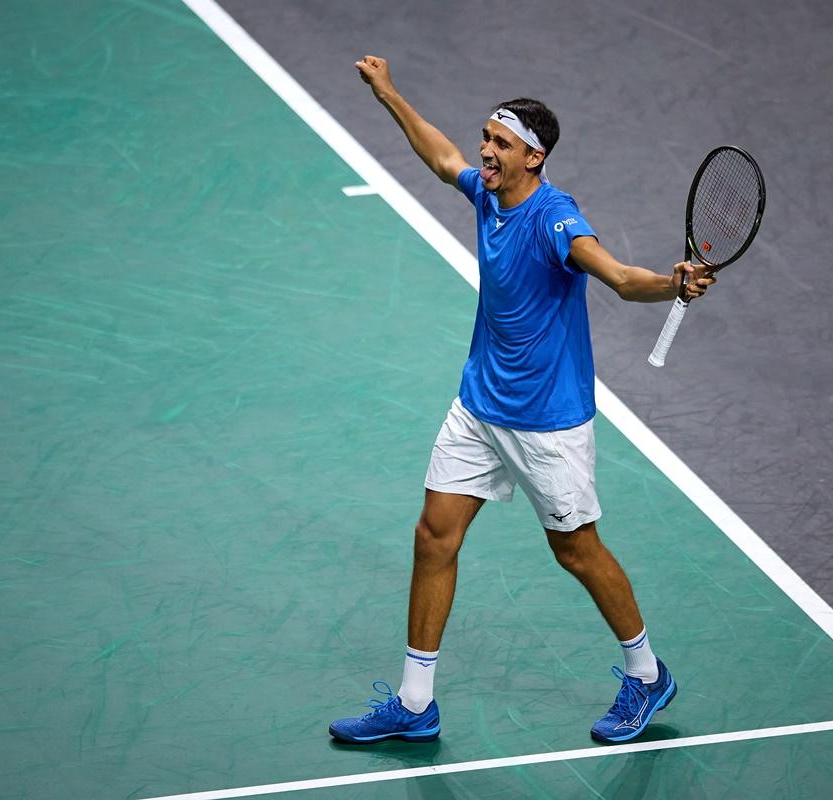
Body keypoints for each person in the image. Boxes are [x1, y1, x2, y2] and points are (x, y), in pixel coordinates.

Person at [329, 55, 714, 746]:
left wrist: (672, 285)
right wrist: (389, 93)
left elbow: (622, 278)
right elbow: (442, 157)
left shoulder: (554, 217)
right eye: (487, 137)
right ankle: (416, 705)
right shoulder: (486, 193)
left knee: (576, 551)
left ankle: (648, 675)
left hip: (546, 424)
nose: (485, 150)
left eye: (501, 143)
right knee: (433, 537)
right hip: (479, 406)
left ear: (535, 157)